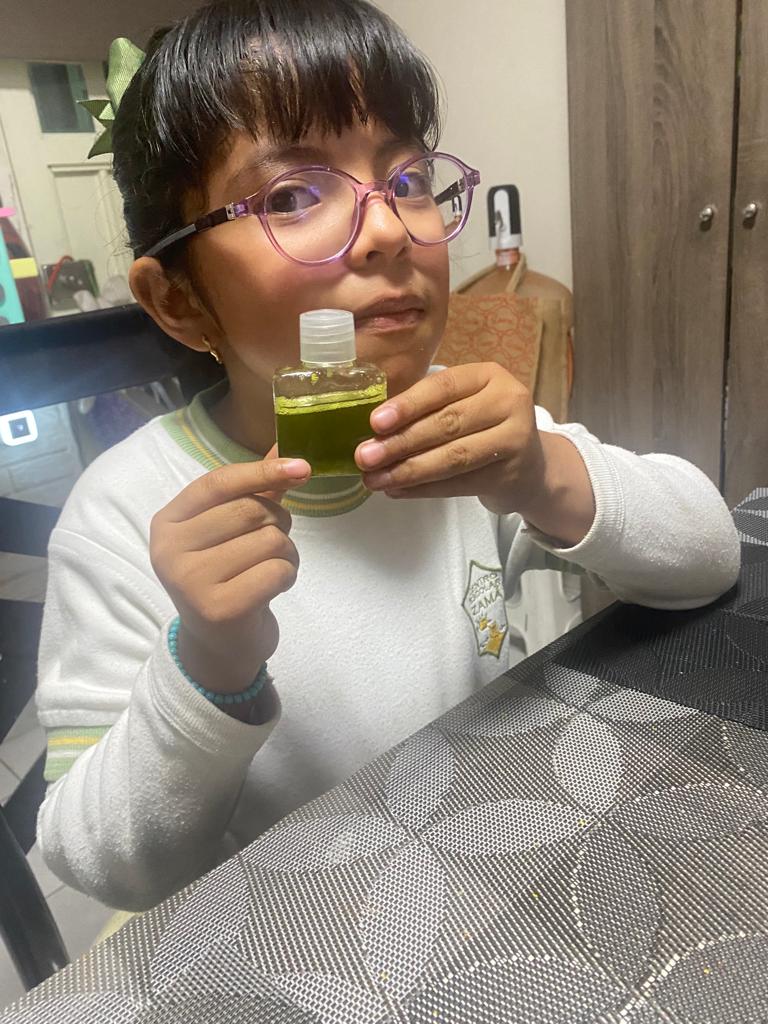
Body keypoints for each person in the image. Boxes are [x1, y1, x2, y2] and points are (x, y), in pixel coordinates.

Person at [35, 0, 741, 912]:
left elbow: (710, 556)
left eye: (407, 179)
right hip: (311, 933)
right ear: (178, 300)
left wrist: (543, 474)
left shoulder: (467, 430)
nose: (387, 230)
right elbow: (106, 867)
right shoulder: (124, 512)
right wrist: (209, 659)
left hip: (507, 865)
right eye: (292, 196)